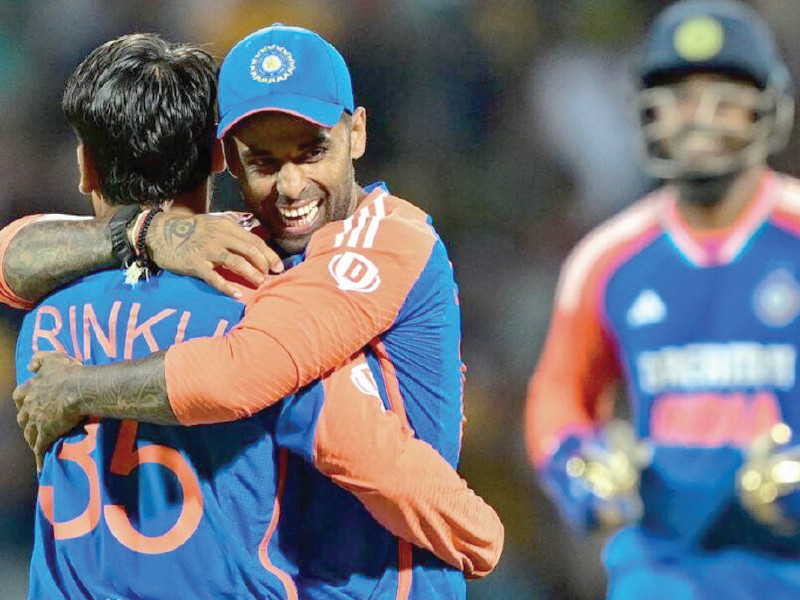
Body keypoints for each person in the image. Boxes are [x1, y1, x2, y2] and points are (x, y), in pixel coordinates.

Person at [12, 32, 502, 599]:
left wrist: (76, 390)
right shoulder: (236, 276)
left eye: (313, 151)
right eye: (264, 161)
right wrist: (147, 231)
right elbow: (344, 433)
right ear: (225, 160)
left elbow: (250, 368)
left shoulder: (387, 239)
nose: (291, 186)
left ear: (358, 132)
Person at [525, 1, 800, 599]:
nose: (697, 117)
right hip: (661, 572)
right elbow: (559, 393)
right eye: (677, 95)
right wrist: (579, 464)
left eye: (721, 95)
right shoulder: (607, 258)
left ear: (767, 107)